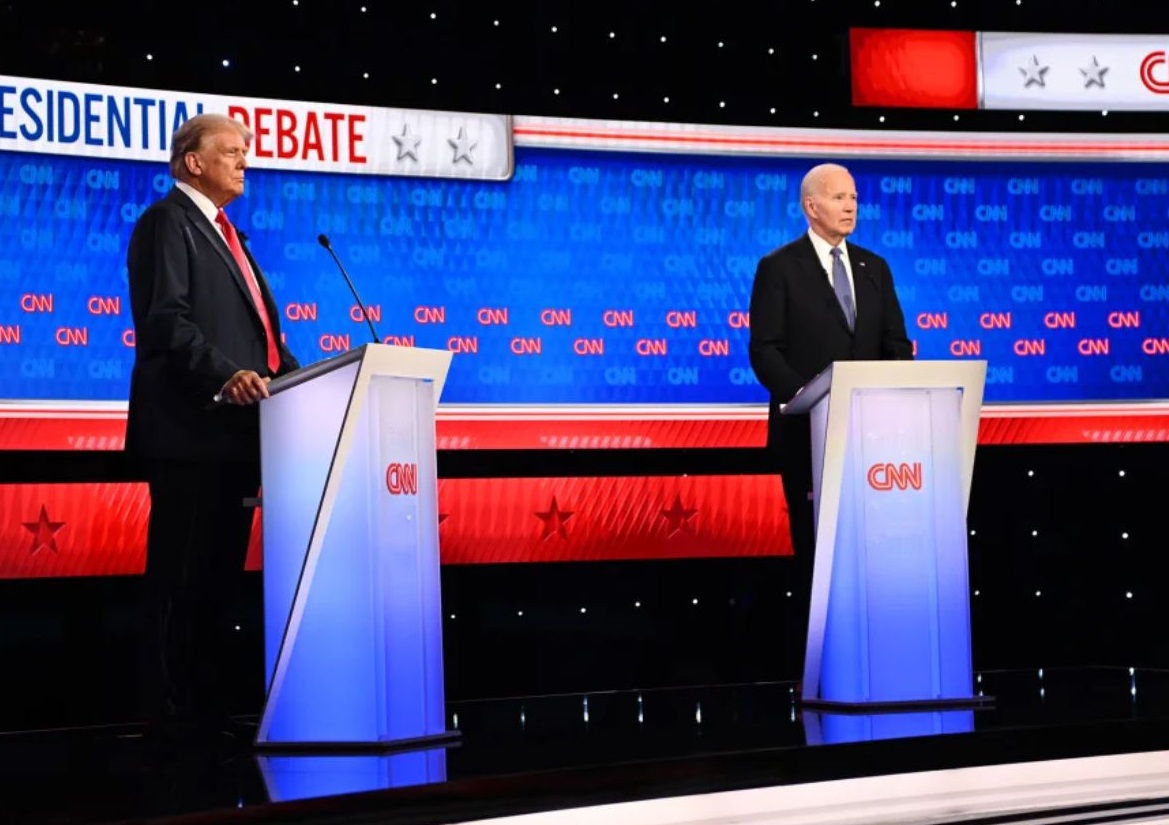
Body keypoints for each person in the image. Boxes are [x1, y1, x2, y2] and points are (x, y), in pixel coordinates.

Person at [125, 112, 299, 748]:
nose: (244, 160)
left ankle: (204, 713)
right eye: (232, 151)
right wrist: (228, 377)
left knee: (218, 584)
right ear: (193, 161)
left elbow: (266, 341)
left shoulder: (230, 236)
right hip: (190, 435)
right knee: (180, 580)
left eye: (245, 151)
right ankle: (168, 721)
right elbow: (166, 323)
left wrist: (302, 381)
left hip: (235, 440)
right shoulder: (166, 224)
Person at [747, 162, 913, 678]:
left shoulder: (874, 268)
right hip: (808, 436)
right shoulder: (779, 268)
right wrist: (807, 397)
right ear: (810, 206)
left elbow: (894, 344)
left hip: (874, 440)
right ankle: (821, 665)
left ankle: (877, 654)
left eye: (855, 198)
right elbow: (765, 350)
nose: (850, 207)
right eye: (839, 198)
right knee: (817, 552)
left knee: (872, 550)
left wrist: (899, 395)